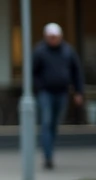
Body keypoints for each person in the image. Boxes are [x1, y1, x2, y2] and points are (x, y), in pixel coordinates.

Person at [33, 22, 85, 170]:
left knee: (54, 124)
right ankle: (48, 157)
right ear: (46, 37)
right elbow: (33, 72)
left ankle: (50, 150)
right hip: (46, 93)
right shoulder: (40, 51)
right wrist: (38, 88)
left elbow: (76, 72)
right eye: (51, 37)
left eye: (55, 37)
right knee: (47, 122)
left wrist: (79, 91)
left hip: (62, 92)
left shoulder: (68, 51)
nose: (53, 40)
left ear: (60, 36)